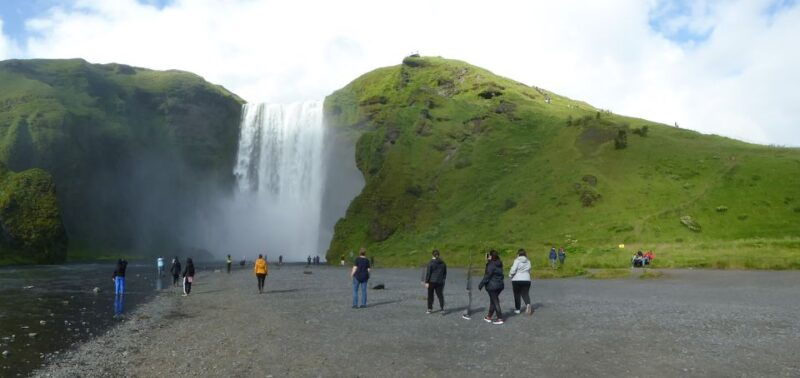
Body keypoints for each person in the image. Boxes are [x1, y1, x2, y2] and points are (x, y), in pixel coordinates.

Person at [478, 250, 505, 325]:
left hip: (492, 286)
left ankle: (500, 318)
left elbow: (487, 275)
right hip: (500, 285)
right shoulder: (499, 263)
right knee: (493, 300)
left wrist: (481, 284)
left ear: (490, 256)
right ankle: (489, 316)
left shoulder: (491, 265)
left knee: (495, 301)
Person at [423, 250, 447, 315]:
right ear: (439, 255)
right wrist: (443, 280)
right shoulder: (443, 263)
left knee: (430, 295)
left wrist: (426, 282)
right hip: (440, 281)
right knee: (440, 295)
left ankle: (429, 309)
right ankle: (442, 309)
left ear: (432, 255)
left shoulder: (430, 263)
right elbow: (445, 273)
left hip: (432, 281)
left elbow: (428, 273)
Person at [509, 249, 533, 315]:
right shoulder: (528, 261)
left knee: (517, 295)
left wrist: (510, 275)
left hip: (517, 279)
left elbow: (513, 270)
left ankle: (517, 309)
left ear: (518, 254)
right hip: (527, 280)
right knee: (525, 293)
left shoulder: (517, 260)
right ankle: (528, 304)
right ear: (525, 254)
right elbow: (530, 270)